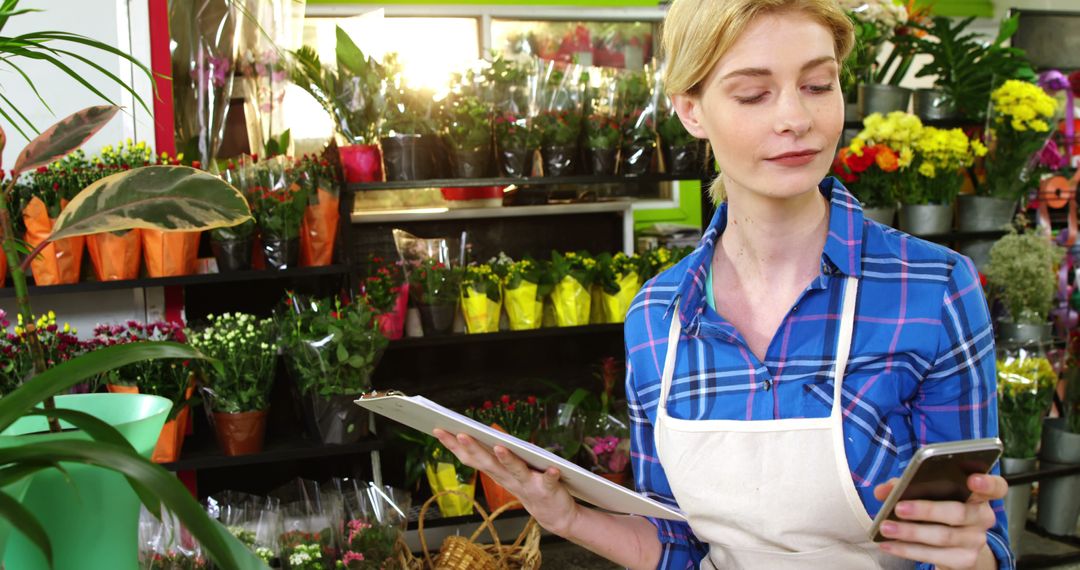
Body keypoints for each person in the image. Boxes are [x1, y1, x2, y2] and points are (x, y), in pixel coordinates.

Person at [435, 0, 1011, 568]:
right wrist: (566, 518)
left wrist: (972, 555)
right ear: (691, 110)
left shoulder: (932, 290)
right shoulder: (659, 315)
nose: (796, 118)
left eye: (818, 85)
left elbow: (983, 545)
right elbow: (678, 547)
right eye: (753, 94)